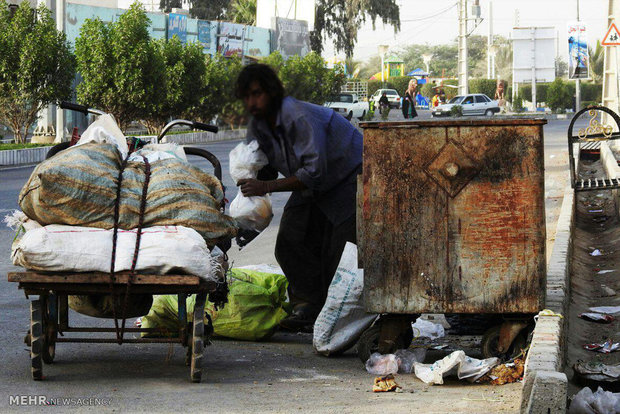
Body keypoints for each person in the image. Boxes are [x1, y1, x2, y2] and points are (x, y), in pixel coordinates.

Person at [234, 63, 362, 331]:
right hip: (310, 183)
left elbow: (314, 173)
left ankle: (334, 315)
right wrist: (249, 194)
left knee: (339, 250)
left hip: (347, 177)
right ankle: (306, 306)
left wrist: (265, 186)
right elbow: (263, 164)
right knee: (291, 239)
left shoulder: (299, 117)